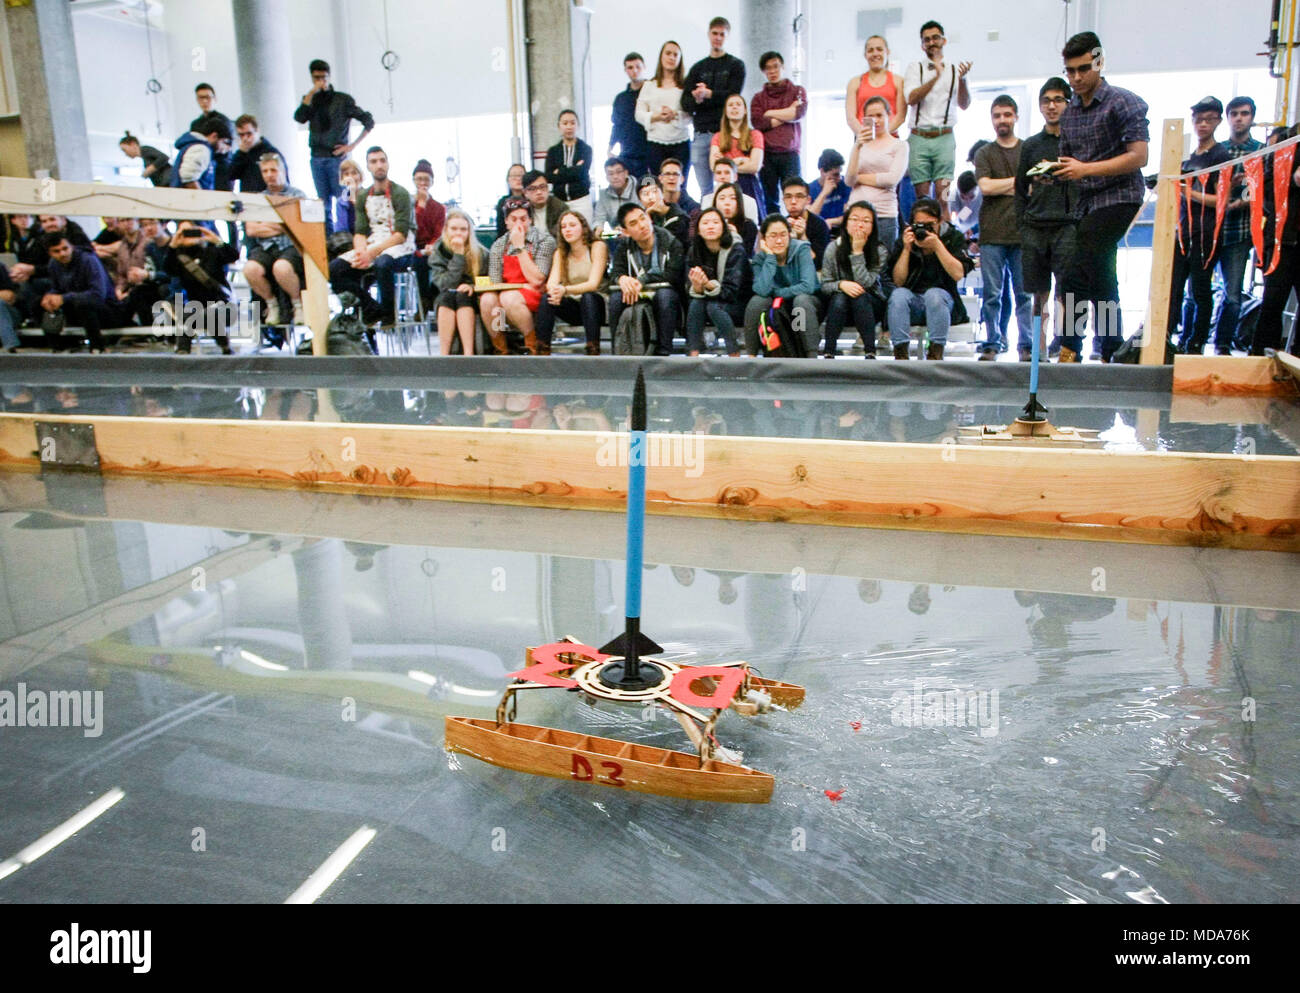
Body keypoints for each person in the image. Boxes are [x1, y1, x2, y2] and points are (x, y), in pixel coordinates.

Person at [1053, 31, 1149, 363]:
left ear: (1099, 62)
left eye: (1083, 69)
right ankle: (1110, 347)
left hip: (1121, 197)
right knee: (1102, 274)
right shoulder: (1069, 114)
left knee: (1075, 271)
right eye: (1070, 71)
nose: (1076, 78)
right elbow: (1069, 163)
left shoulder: (1124, 101)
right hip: (1086, 203)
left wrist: (1086, 169)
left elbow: (1139, 156)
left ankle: (1070, 347)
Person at [1015, 77, 1076, 362]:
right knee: (1038, 296)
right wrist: (1023, 224)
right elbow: (1018, 189)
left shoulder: (1077, 142)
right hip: (1035, 227)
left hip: (1067, 225)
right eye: (1046, 100)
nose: (1052, 106)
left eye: (1058, 100)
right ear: (1040, 106)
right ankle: (1039, 350)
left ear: (1068, 103)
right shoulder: (1031, 146)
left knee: (1067, 292)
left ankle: (1067, 348)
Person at [1169, 97, 1231, 355]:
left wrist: (1189, 194)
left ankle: (1196, 342)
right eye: (1198, 119)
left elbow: (1222, 200)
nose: (1203, 124)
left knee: (1200, 290)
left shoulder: (1221, 155)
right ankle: (1172, 338)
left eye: (1209, 119)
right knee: (1174, 288)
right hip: (1182, 231)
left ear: (1218, 121)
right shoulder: (1186, 156)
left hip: (1206, 233)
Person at [974, 94, 1033, 360]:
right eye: (997, 115)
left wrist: (1006, 186)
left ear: (1016, 117)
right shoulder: (984, 153)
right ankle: (992, 342)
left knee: (1024, 294)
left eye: (1007, 115)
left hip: (1023, 233)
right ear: (991, 119)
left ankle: (1027, 344)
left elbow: (1034, 188)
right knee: (992, 294)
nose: (1002, 120)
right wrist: (1019, 184)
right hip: (992, 235)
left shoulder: (1028, 149)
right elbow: (986, 187)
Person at [329, 146, 416, 324]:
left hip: (399, 244)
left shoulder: (400, 193)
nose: (379, 165)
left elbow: (400, 234)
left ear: (388, 164)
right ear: (368, 166)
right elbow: (360, 232)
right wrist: (361, 253)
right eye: (374, 162)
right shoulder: (363, 196)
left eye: (382, 161)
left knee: (382, 264)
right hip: (373, 240)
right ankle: (370, 306)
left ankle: (388, 315)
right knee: (335, 268)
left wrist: (372, 253)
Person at [886, 197, 974, 360]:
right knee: (898, 295)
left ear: (940, 221)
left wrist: (938, 246)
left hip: (943, 303)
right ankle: (900, 354)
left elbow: (958, 274)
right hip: (912, 302)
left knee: (934, 294)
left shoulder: (952, 237)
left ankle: (935, 353)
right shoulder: (906, 239)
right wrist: (906, 250)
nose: (924, 230)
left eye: (930, 225)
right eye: (920, 225)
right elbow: (898, 281)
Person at [294, 59, 375, 235]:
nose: (321, 81)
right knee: (322, 204)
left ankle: (346, 237)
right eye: (316, 78)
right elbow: (299, 117)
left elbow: (368, 121)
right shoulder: (310, 100)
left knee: (343, 201)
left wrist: (351, 146)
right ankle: (329, 241)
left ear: (329, 76)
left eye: (323, 77)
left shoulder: (342, 100)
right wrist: (311, 93)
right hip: (317, 157)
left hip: (337, 158)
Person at [903, 21, 972, 216]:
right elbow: (911, 98)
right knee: (923, 199)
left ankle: (947, 238)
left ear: (944, 40)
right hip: (919, 138)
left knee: (945, 198)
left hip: (945, 137)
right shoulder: (915, 68)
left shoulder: (954, 70)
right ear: (922, 45)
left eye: (935, 38)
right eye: (927, 40)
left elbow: (964, 104)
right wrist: (935, 78)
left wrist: (963, 80)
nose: (931, 42)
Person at [1217, 96, 1264, 350]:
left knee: (1233, 296)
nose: (1238, 118)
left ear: (1252, 117)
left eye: (1244, 113)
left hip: (1239, 232)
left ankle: (1223, 346)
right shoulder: (1218, 150)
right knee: (1194, 294)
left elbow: (1262, 189)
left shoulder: (1261, 151)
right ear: (1227, 117)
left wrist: (1239, 200)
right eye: (1234, 113)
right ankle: (1194, 344)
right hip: (1210, 230)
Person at [607, 202, 685, 356]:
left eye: (643, 218)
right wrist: (621, 279)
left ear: (649, 218)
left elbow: (673, 275)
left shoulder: (670, 242)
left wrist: (642, 280)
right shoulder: (624, 246)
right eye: (633, 223)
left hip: (667, 297)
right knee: (616, 298)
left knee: (664, 296)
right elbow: (615, 272)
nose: (642, 225)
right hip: (636, 296)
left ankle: (664, 353)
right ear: (626, 231)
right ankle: (617, 352)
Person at [681, 16, 746, 197]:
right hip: (701, 133)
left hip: (725, 134)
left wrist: (709, 94)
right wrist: (697, 99)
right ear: (709, 35)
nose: (718, 37)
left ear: (727, 36)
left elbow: (734, 95)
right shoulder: (697, 68)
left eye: (722, 34)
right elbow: (685, 102)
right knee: (706, 191)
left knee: (729, 187)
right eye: (715, 34)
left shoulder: (735, 65)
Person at [242, 153, 309, 327]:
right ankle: (272, 304)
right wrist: (280, 225)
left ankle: (297, 304)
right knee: (250, 269)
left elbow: (296, 227)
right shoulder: (258, 199)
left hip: (291, 246)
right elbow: (251, 229)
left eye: (273, 170)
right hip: (265, 247)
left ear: (283, 171)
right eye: (265, 171)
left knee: (281, 268)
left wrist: (271, 225)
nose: (269, 174)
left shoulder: (297, 195)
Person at [481, 199, 555, 355]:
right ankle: (501, 347)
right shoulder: (499, 245)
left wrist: (520, 246)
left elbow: (537, 280)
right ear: (506, 222)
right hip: (510, 293)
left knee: (509, 298)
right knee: (488, 300)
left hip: (536, 294)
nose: (519, 223)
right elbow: (495, 283)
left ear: (530, 220)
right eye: (514, 219)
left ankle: (533, 344)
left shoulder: (544, 241)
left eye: (523, 219)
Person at [820, 201, 891, 358]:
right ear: (846, 224)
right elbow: (825, 285)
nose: (860, 225)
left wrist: (857, 252)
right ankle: (829, 352)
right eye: (854, 219)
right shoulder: (833, 248)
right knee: (840, 298)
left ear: (873, 226)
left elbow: (866, 283)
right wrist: (841, 284)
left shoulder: (879, 250)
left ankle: (870, 351)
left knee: (859, 296)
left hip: (871, 304)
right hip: (838, 307)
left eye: (866, 221)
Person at [744, 213, 821, 356]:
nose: (779, 240)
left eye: (783, 235)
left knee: (801, 301)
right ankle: (751, 356)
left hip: (809, 304)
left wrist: (777, 293)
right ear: (764, 239)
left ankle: (812, 356)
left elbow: (808, 286)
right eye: (773, 236)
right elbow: (761, 290)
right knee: (757, 302)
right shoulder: (760, 259)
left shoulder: (802, 249)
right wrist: (770, 258)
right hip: (779, 309)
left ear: (789, 235)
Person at [1253, 127, 1300, 355]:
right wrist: (1291, 179)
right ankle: (1260, 354)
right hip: (1281, 236)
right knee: (1272, 301)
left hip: (1288, 234)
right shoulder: (1284, 142)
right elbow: (1265, 188)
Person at [537, 210, 609, 355]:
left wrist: (565, 290)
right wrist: (556, 292)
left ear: (583, 227)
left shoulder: (597, 246)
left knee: (588, 297)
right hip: (574, 307)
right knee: (547, 298)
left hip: (596, 305)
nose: (567, 229)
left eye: (572, 225)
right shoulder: (560, 253)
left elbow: (593, 284)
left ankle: (592, 348)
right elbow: (551, 283)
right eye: (563, 227)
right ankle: (542, 349)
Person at [163, 222, 239, 354]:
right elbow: (168, 269)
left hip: (223, 305)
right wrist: (173, 245)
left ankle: (224, 344)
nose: (189, 235)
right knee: (190, 314)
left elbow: (233, 256)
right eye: (184, 232)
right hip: (195, 307)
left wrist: (216, 240)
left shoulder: (212, 251)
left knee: (206, 313)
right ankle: (183, 351)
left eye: (192, 231)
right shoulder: (180, 257)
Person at [845, 95, 909, 249]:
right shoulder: (860, 144)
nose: (876, 120)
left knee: (883, 267)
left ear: (889, 116)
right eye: (870, 116)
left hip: (884, 214)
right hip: (857, 213)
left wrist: (860, 178)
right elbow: (848, 180)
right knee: (854, 261)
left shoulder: (900, 145)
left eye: (879, 115)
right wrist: (857, 146)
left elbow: (892, 179)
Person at [685, 207, 748, 356]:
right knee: (696, 304)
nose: (711, 226)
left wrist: (707, 285)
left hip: (737, 304)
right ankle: (693, 355)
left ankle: (734, 353)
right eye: (705, 223)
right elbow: (688, 287)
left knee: (714, 307)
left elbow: (732, 291)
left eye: (715, 222)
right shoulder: (694, 251)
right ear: (699, 230)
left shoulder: (736, 250)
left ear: (724, 227)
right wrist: (698, 287)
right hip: (707, 303)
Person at [752, 51, 807, 215]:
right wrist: (788, 112)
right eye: (768, 68)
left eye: (775, 66)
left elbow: (799, 113)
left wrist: (769, 113)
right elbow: (758, 122)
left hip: (790, 154)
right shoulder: (758, 98)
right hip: (767, 155)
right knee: (770, 200)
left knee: (795, 197)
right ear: (764, 72)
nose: (772, 71)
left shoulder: (797, 91)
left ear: (782, 67)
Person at [42, 235, 116, 352]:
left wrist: (64, 298)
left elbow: (98, 294)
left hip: (106, 309)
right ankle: (57, 347)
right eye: (56, 251)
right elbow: (56, 288)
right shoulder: (53, 264)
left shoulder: (88, 259)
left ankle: (97, 347)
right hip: (74, 307)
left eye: (65, 249)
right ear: (50, 253)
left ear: (72, 246)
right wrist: (50, 297)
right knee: (40, 304)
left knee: (84, 304)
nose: (62, 253)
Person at [430, 208, 487, 356]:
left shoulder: (481, 253)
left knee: (462, 296)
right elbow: (445, 284)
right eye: (454, 229)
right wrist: (458, 256)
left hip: (472, 295)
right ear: (446, 230)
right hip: (446, 295)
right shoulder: (438, 251)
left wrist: (472, 286)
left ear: (469, 231)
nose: (458, 233)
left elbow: (489, 280)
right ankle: (444, 354)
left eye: (463, 229)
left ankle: (469, 353)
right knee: (447, 297)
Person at [637, 41, 690, 179]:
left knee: (680, 184)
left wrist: (675, 114)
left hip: (680, 142)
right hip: (655, 143)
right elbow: (638, 114)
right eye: (668, 53)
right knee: (657, 184)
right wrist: (657, 116)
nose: (671, 57)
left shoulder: (685, 85)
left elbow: (691, 115)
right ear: (661, 56)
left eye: (675, 55)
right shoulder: (649, 85)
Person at [710, 93, 766, 220]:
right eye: (730, 105)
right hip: (724, 186)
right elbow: (714, 166)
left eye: (738, 104)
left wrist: (727, 163)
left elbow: (754, 166)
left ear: (745, 110)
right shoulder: (718, 137)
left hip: (748, 184)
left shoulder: (755, 135)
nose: (734, 108)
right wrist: (739, 160)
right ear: (726, 111)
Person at [846, 35, 907, 138]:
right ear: (865, 55)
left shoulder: (898, 81)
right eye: (870, 50)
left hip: (891, 139)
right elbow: (851, 118)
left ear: (887, 52)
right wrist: (865, 134)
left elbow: (900, 116)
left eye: (879, 49)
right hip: (864, 138)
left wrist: (883, 135)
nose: (875, 54)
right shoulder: (855, 82)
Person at [104, 217, 160, 327]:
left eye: (129, 219)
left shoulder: (148, 241)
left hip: (149, 284)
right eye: (122, 221)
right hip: (130, 287)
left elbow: (154, 269)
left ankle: (149, 331)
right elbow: (121, 275)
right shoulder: (122, 246)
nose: (126, 224)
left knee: (137, 294)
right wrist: (119, 290)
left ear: (136, 221)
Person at [545, 109, 594, 223]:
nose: (569, 127)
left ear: (578, 125)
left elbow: (581, 173)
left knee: (585, 235)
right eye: (565, 123)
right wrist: (573, 170)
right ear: (559, 126)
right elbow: (549, 177)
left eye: (572, 123)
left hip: (581, 200)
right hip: (559, 201)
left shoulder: (586, 149)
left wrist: (559, 172)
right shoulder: (553, 151)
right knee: (561, 236)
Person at [410, 159, 446, 304]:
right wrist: (421, 206)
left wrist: (432, 245)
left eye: (426, 179)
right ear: (414, 180)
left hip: (431, 246)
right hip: (412, 246)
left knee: (447, 259)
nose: (423, 183)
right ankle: (424, 300)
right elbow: (411, 229)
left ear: (432, 182)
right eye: (419, 179)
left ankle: (433, 296)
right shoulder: (408, 203)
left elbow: (439, 231)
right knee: (421, 262)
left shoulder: (439, 207)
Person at [610, 52, 650, 179]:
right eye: (630, 67)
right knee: (630, 194)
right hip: (627, 155)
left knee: (650, 192)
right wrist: (610, 147)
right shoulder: (621, 99)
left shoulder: (653, 93)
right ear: (625, 70)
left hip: (650, 154)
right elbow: (617, 125)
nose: (635, 71)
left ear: (644, 67)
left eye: (638, 66)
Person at [170, 112, 232, 190]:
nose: (225, 148)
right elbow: (189, 178)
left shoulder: (194, 145)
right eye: (224, 142)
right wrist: (204, 199)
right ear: (214, 136)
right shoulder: (201, 149)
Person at [781, 177, 831, 268]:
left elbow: (819, 264)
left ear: (808, 200)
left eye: (799, 196)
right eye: (788, 197)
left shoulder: (820, 225)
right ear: (783, 200)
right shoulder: (779, 224)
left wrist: (803, 238)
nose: (793, 201)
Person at [229, 115, 286, 193]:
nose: (245, 138)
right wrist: (241, 153)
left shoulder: (271, 151)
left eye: (249, 134)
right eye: (241, 135)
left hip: (268, 197)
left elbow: (283, 180)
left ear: (257, 131)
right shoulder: (241, 153)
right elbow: (231, 175)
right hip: (248, 198)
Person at [638, 175, 691, 249]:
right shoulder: (643, 218)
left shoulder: (679, 218)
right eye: (645, 194)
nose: (650, 197)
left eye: (654, 191)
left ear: (663, 193)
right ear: (640, 200)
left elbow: (662, 246)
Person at [810, 149, 852, 232]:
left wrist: (830, 221)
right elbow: (810, 218)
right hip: (819, 232)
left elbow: (849, 216)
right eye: (835, 175)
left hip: (841, 230)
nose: (839, 178)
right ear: (822, 171)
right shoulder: (810, 189)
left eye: (840, 173)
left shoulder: (845, 185)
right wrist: (824, 193)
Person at [712, 182, 758, 256]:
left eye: (733, 198)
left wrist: (735, 237)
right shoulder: (710, 226)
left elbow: (745, 258)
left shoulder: (749, 226)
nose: (727, 203)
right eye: (722, 198)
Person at [593, 157, 638, 233]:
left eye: (619, 172)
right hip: (616, 234)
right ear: (606, 177)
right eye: (610, 174)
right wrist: (598, 228)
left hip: (638, 231)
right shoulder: (604, 195)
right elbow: (599, 219)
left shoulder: (638, 189)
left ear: (626, 173)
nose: (615, 177)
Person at [521, 169, 567, 237]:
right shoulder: (522, 210)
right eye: (533, 189)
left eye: (542, 187)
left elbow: (561, 236)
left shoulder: (560, 208)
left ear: (548, 188)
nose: (539, 192)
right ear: (525, 193)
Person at [495, 164, 528, 237]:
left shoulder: (531, 200)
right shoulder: (502, 202)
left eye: (521, 175)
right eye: (514, 175)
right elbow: (501, 229)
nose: (518, 179)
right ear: (508, 180)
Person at [337, 159, 362, 234]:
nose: (351, 177)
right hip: (350, 239)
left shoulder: (370, 195)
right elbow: (341, 229)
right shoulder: (341, 202)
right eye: (346, 174)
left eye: (354, 173)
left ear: (360, 176)